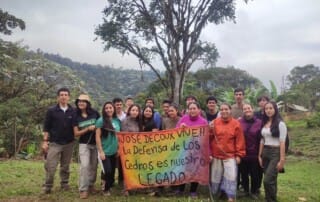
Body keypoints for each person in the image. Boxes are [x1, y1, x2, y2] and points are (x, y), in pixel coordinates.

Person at [209, 103, 246, 202]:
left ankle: (230, 197)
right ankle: (215, 195)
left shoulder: (236, 124)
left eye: (226, 109)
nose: (224, 111)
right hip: (216, 155)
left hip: (230, 156)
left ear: (230, 110)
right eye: (222, 109)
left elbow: (240, 141)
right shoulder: (214, 122)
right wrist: (210, 130)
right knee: (215, 177)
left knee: (231, 177)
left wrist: (239, 155)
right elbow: (208, 138)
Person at [42, 87, 75, 194]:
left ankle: (64, 183)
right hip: (54, 143)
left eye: (66, 95)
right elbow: (46, 127)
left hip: (69, 143)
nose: (63, 97)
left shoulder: (73, 111)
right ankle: (48, 186)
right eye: (61, 95)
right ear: (58, 97)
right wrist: (45, 141)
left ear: (69, 97)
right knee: (50, 165)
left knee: (65, 166)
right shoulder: (51, 110)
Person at [176, 102, 208, 198]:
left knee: (195, 170)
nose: (192, 110)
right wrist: (180, 128)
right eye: (190, 109)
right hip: (184, 150)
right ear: (188, 110)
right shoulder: (183, 119)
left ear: (199, 110)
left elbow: (206, 137)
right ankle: (180, 189)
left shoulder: (203, 122)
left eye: (194, 108)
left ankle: (193, 191)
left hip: (197, 151)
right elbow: (175, 133)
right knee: (183, 169)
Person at [258, 101, 287, 202]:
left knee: (267, 180)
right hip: (265, 151)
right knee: (272, 180)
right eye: (266, 109)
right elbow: (262, 139)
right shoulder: (264, 123)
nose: (268, 110)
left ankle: (272, 199)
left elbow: (282, 142)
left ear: (275, 109)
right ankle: (268, 199)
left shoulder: (280, 124)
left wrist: (282, 160)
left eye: (271, 108)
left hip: (276, 152)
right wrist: (259, 155)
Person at [73, 94, 100, 199]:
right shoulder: (75, 115)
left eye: (83, 101)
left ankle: (91, 185)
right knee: (84, 166)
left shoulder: (94, 113)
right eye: (79, 101)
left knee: (93, 166)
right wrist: (87, 129)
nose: (81, 103)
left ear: (87, 103)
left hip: (95, 143)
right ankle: (83, 189)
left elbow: (100, 125)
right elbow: (76, 133)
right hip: (84, 144)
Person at [95, 102, 121, 196]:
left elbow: (119, 136)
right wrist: (101, 151)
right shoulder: (100, 121)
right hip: (105, 151)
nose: (109, 110)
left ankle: (109, 187)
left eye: (110, 108)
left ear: (113, 109)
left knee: (113, 171)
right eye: (107, 108)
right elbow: (97, 137)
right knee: (108, 171)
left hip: (114, 151)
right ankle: (106, 189)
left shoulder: (117, 121)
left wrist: (119, 149)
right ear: (104, 110)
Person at [238, 103, 263, 199]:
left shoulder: (259, 122)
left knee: (255, 174)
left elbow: (262, 138)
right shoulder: (239, 122)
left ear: (252, 109)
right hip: (243, 153)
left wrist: (260, 154)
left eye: (248, 108)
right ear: (243, 111)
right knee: (243, 173)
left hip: (255, 153)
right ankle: (245, 190)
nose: (247, 110)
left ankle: (254, 191)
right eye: (245, 109)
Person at [120, 104, 142, 196]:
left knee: (135, 168)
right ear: (129, 111)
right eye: (133, 110)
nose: (135, 112)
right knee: (127, 168)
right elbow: (124, 135)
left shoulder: (139, 121)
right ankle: (126, 189)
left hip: (137, 148)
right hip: (127, 149)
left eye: (136, 110)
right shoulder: (125, 121)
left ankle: (134, 186)